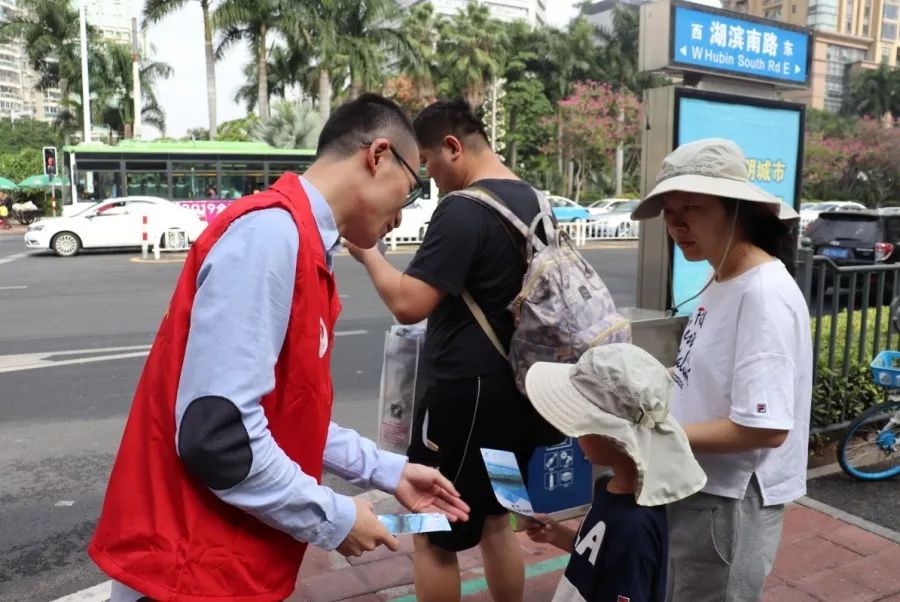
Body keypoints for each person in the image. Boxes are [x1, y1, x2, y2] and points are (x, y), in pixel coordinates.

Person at [89, 93, 470, 602]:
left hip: (219, 562)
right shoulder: (272, 236)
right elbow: (219, 437)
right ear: (378, 155)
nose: (403, 213)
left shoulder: (303, 245)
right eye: (412, 184)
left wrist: (388, 470)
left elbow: (289, 417)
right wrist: (335, 516)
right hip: (185, 568)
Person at [346, 100, 546, 602]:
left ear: (453, 147)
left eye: (430, 164)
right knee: (496, 517)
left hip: (464, 400)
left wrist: (368, 254)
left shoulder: (464, 208)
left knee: (433, 530)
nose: (432, 180)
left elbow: (409, 304)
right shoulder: (534, 202)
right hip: (519, 391)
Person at [630, 138, 812, 601]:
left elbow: (765, 427)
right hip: (702, 486)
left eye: (692, 208)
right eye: (669, 211)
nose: (677, 224)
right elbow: (706, 375)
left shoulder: (762, 293)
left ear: (737, 210)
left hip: (729, 497)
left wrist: (649, 434)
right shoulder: (723, 277)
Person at [523, 344, 706, 602]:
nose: (575, 434)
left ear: (612, 436)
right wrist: (556, 534)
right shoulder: (607, 486)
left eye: (582, 423)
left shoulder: (635, 528)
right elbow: (598, 556)